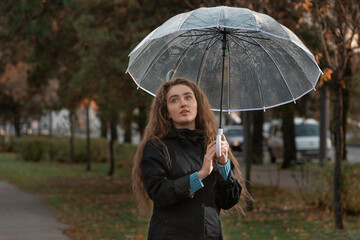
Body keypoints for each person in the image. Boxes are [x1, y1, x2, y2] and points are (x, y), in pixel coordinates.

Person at [132, 77, 251, 240]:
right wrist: (200, 175)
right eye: (174, 100)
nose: (183, 103)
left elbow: (228, 200)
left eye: (188, 97)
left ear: (198, 104)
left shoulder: (211, 145)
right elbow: (160, 193)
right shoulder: (157, 147)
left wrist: (223, 165)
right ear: (166, 112)